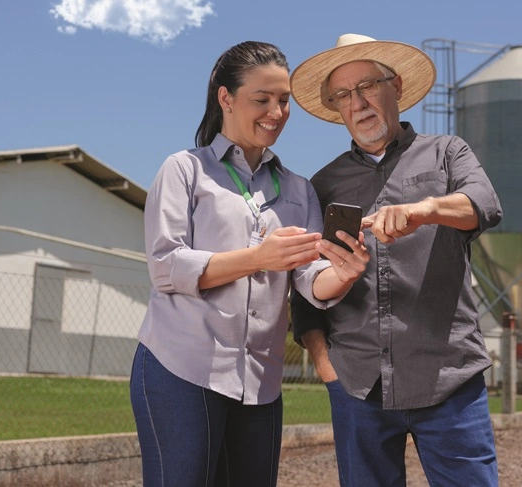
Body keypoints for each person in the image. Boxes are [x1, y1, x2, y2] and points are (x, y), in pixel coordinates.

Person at [130, 40, 369, 487]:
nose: (275, 113)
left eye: (283, 101)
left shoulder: (299, 190)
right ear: (226, 98)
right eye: (262, 99)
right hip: (181, 367)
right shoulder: (184, 170)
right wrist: (257, 258)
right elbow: (166, 266)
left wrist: (343, 274)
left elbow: (308, 278)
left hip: (261, 381)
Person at [289, 34, 503, 486]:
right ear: (335, 107)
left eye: (367, 85)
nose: (358, 102)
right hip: (358, 387)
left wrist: (424, 210)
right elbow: (305, 288)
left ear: (397, 85)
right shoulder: (322, 185)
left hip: (448, 378)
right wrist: (324, 363)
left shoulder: (448, 152)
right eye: (344, 95)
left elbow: (483, 204)